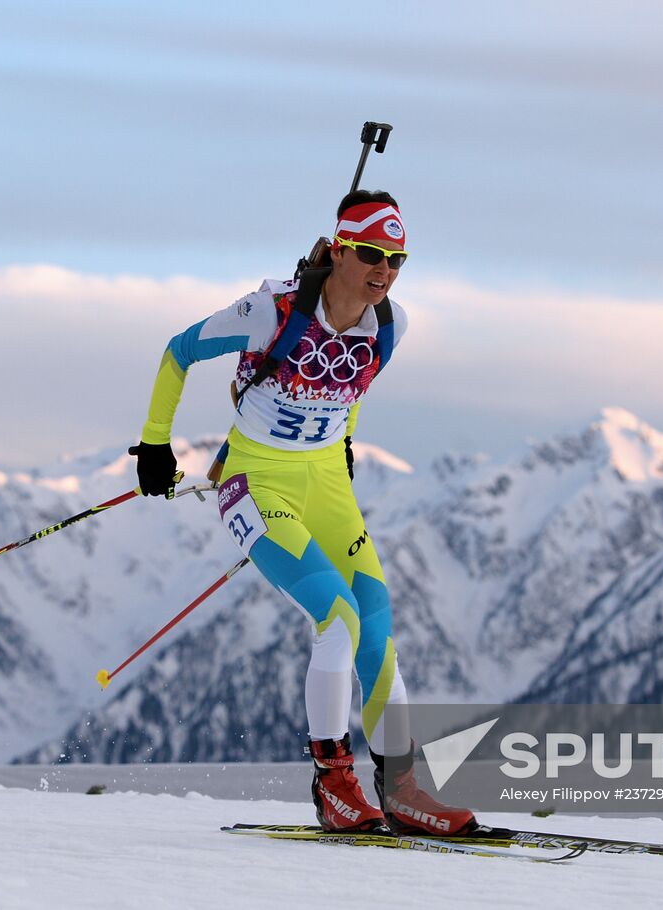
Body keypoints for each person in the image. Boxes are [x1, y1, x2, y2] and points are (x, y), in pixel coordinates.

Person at [131, 190, 477, 836]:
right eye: (372, 253)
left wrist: (341, 442)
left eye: (397, 259)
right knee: (336, 618)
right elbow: (180, 350)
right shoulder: (274, 312)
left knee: (376, 624)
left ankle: (400, 786)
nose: (384, 271)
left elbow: (355, 386)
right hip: (257, 480)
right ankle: (334, 783)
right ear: (340, 248)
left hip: (325, 485)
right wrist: (156, 443)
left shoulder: (390, 325)